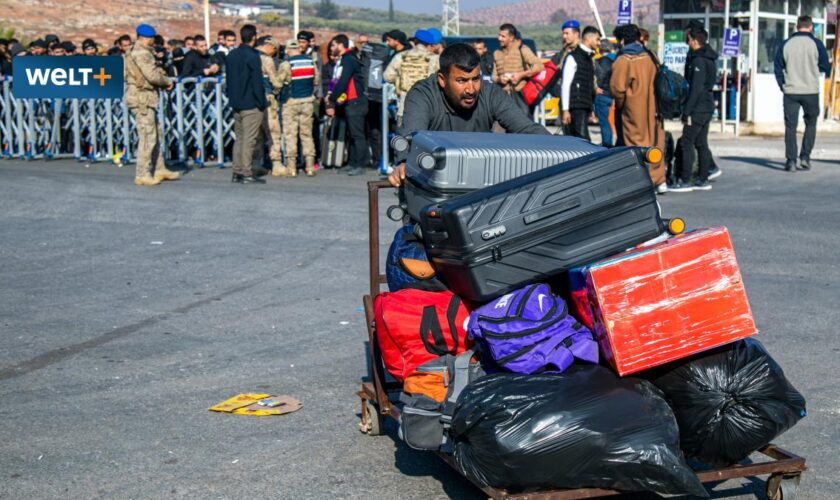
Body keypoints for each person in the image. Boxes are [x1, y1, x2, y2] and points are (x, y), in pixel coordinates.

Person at [388, 43, 551, 187]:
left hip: (477, 182)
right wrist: (403, 163)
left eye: (475, 79)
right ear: (442, 80)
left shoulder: (491, 93)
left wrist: (561, 149)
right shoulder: (423, 94)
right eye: (462, 81)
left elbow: (527, 128)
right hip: (432, 181)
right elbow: (412, 135)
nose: (471, 89)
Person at [609, 23, 666, 190]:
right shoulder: (650, 56)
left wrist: (621, 105)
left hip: (633, 111)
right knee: (655, 143)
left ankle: (641, 183)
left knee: (635, 146)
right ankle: (659, 179)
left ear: (621, 40)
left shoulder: (624, 59)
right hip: (655, 108)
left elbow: (617, 89)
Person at [124, 24, 180, 186]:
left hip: (145, 97)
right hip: (142, 98)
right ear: (147, 38)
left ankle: (159, 168)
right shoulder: (142, 53)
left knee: (156, 132)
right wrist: (167, 81)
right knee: (148, 136)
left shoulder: (137, 51)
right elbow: (152, 75)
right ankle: (142, 173)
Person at [774, 15, 830, 172]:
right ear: (811, 27)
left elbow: (777, 68)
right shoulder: (817, 44)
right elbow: (826, 66)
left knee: (790, 126)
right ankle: (805, 157)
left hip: (791, 91)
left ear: (797, 26)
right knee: (811, 124)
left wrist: (783, 85)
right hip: (811, 91)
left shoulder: (786, 44)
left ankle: (791, 160)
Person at [670, 26, 718, 192]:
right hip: (707, 104)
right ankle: (703, 178)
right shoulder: (709, 58)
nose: (687, 42)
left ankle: (685, 179)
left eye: (688, 39)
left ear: (695, 41)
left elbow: (695, 89)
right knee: (701, 142)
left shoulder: (698, 61)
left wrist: (687, 111)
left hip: (698, 107)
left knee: (686, 141)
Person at [226, 24, 268, 185]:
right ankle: (246, 172)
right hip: (251, 103)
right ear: (254, 37)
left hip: (236, 102)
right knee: (250, 140)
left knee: (240, 138)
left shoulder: (232, 55)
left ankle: (237, 171)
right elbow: (257, 82)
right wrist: (261, 103)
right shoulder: (253, 56)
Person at [326, 34, 369, 176]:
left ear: (340, 45)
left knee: (357, 135)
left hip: (356, 101)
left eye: (333, 45)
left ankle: (359, 164)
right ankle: (352, 162)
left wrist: (332, 98)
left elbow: (343, 82)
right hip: (349, 102)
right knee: (351, 134)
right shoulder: (345, 59)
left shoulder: (348, 60)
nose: (331, 48)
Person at [279, 39, 320, 177]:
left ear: (288, 50)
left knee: (291, 135)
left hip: (291, 102)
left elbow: (279, 83)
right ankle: (309, 166)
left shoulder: (287, 64)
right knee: (307, 134)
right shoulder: (310, 62)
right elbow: (316, 80)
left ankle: (291, 167)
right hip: (308, 102)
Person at [383, 29, 437, 124]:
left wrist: (400, 78)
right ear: (429, 44)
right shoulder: (435, 59)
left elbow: (387, 76)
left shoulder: (401, 56)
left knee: (403, 137)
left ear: (415, 42)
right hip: (428, 108)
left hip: (404, 108)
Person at [493, 23, 543, 116]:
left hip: (520, 98)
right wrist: (500, 79)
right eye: (499, 35)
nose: (499, 38)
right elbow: (494, 76)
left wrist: (521, 75)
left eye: (503, 36)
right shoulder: (497, 53)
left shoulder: (522, 49)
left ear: (511, 38)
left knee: (521, 128)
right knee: (499, 129)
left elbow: (539, 66)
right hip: (502, 98)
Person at [560, 26, 599, 140]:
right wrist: (565, 110)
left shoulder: (589, 58)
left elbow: (588, 85)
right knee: (582, 141)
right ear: (588, 38)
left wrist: (590, 108)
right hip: (575, 107)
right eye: (597, 39)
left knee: (581, 140)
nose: (599, 43)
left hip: (584, 106)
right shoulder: (573, 57)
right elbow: (566, 84)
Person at [255, 37, 286, 177]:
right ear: (271, 46)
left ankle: (256, 163)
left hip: (252, 100)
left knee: (256, 133)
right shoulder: (266, 60)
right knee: (273, 132)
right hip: (267, 99)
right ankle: (276, 163)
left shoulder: (249, 56)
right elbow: (275, 81)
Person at [594, 39, 617, 146]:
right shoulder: (618, 60)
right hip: (616, 95)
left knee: (604, 122)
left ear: (600, 49)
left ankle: (607, 144)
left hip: (602, 95)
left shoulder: (598, 62)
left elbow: (598, 78)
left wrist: (596, 87)